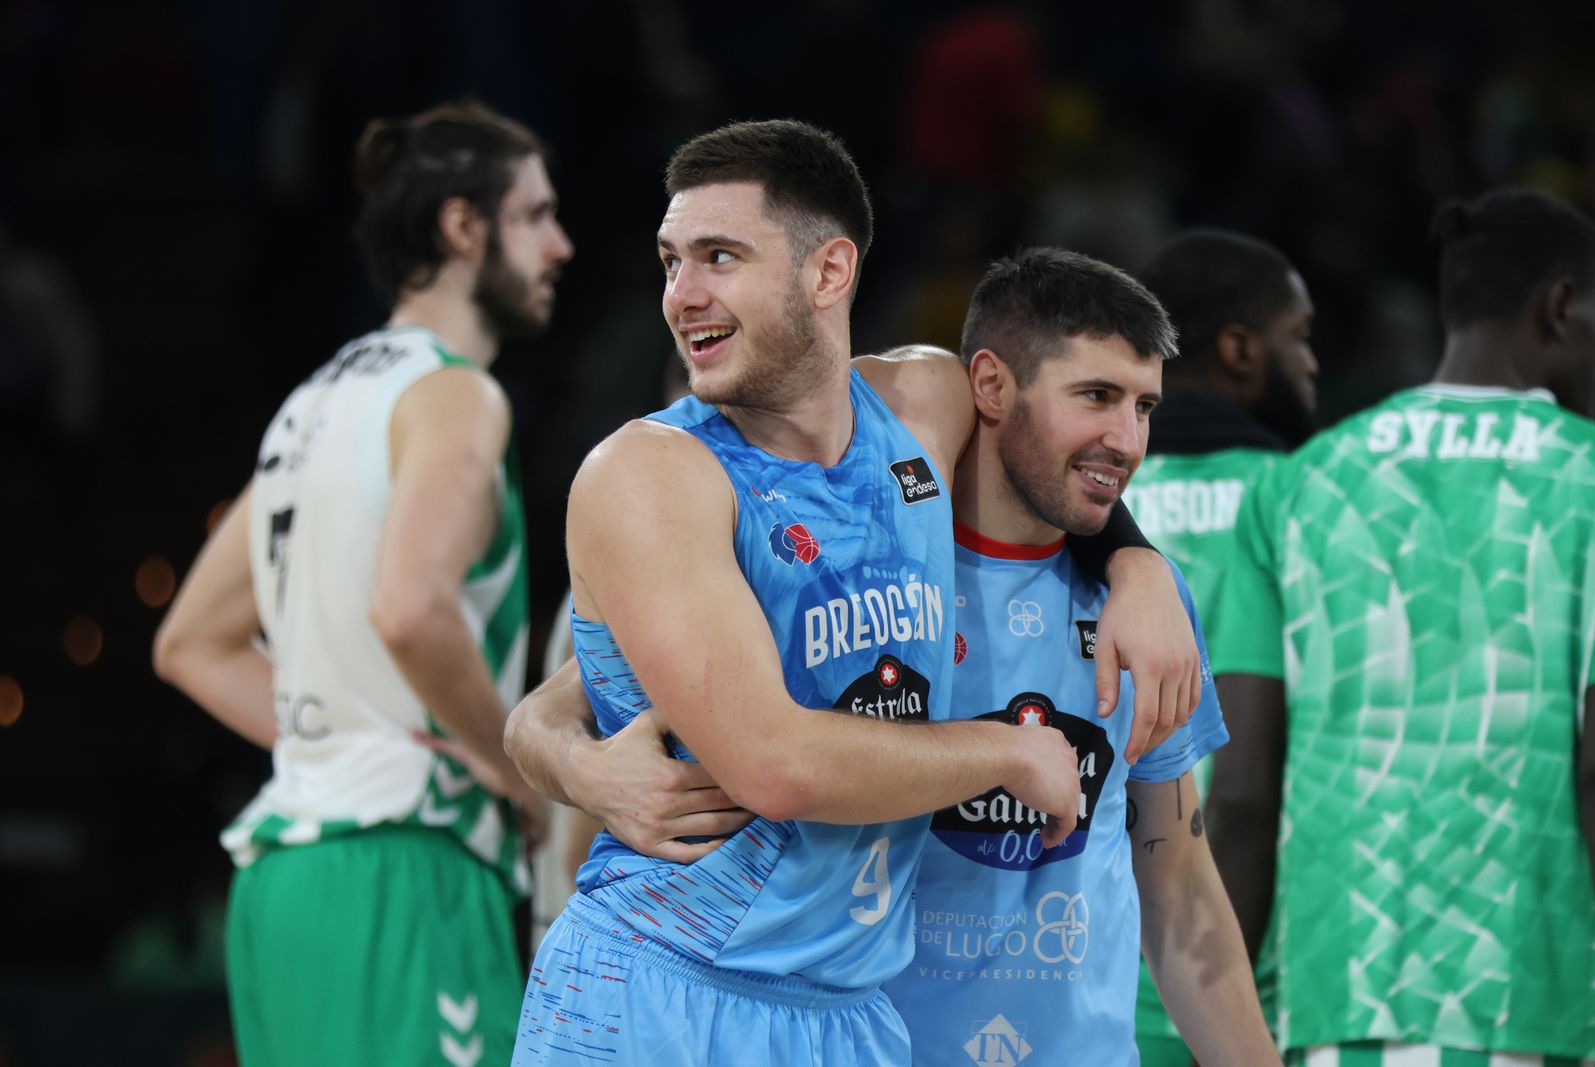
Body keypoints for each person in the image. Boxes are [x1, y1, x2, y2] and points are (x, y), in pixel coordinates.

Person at [502, 119, 1200, 1065]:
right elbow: (774, 766)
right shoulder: (650, 472)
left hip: (851, 1011)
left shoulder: (926, 402)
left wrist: (1138, 562)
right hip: (669, 990)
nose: (682, 295)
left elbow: (1055, 466)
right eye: (671, 261)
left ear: (829, 273)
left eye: (718, 257)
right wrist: (1005, 749)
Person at [152, 100, 572, 1067]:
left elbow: (190, 644)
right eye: (537, 215)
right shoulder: (459, 394)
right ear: (464, 227)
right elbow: (411, 607)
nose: (561, 244)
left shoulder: (315, 399)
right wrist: (517, 769)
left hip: (282, 888)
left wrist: (355, 729)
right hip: (400, 869)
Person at [1207, 188, 1595, 1065]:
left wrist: (1221, 1025)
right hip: (1539, 1004)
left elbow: (1237, 790)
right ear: (1562, 306)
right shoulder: (1593, 477)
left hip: (1330, 1000)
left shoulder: (1298, 484)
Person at [873, 249, 1276, 1065]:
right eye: (1095, 396)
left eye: (1145, 406)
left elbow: (1182, 889)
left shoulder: (1150, 608)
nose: (1126, 440)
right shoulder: (874, 575)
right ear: (989, 386)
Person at [1122, 228, 1319, 1066]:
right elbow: (1237, 788)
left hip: (1079, 977)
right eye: (1299, 336)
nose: (1312, 364)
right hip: (1222, 987)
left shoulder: (1086, 499)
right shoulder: (1298, 495)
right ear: (1241, 349)